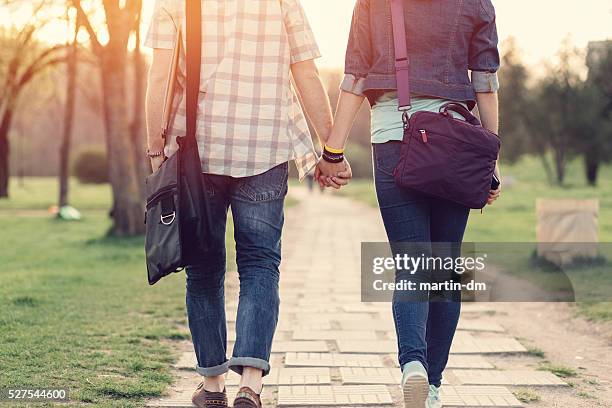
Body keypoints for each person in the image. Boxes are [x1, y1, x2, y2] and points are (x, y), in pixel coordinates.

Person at [145, 1, 350, 407]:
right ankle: (250, 385)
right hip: (264, 148)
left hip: (195, 152)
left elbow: (160, 76)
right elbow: (305, 72)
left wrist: (156, 149)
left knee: (203, 267)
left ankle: (213, 386)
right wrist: (331, 150)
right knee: (259, 263)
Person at [316, 1, 501, 407]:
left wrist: (333, 151)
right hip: (457, 144)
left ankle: (412, 366)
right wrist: (489, 161)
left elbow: (354, 78)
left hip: (393, 140)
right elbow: (484, 81)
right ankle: (432, 386)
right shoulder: (476, 3)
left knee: (412, 263)